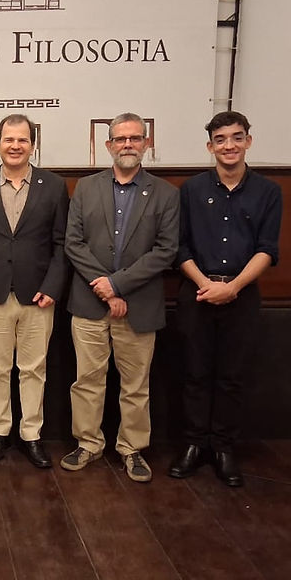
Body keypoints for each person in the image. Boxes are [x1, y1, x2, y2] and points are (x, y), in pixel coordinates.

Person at [60, 113, 179, 482]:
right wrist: (104, 285)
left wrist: (119, 285)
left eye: (135, 138)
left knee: (135, 384)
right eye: (120, 139)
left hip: (139, 305)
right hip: (89, 302)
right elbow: (73, 242)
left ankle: (132, 449)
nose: (128, 144)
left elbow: (166, 250)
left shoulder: (166, 194)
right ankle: (89, 443)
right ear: (108, 145)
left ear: (146, 143)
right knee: (88, 380)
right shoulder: (86, 187)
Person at [168, 111, 282, 487]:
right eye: (221, 139)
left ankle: (223, 448)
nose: (229, 145)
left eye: (236, 137)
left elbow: (268, 249)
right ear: (210, 146)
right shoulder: (191, 190)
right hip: (197, 293)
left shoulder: (268, 192)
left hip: (242, 295)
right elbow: (179, 246)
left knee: (232, 376)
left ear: (248, 141)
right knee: (194, 374)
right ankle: (194, 444)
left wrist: (232, 287)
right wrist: (206, 284)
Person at [0, 113, 69, 468]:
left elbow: (61, 243)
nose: (15, 146)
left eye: (23, 140)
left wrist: (53, 286)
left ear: (33, 145)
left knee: (34, 369)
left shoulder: (54, 186)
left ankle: (31, 435)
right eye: (9, 139)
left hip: (38, 295)